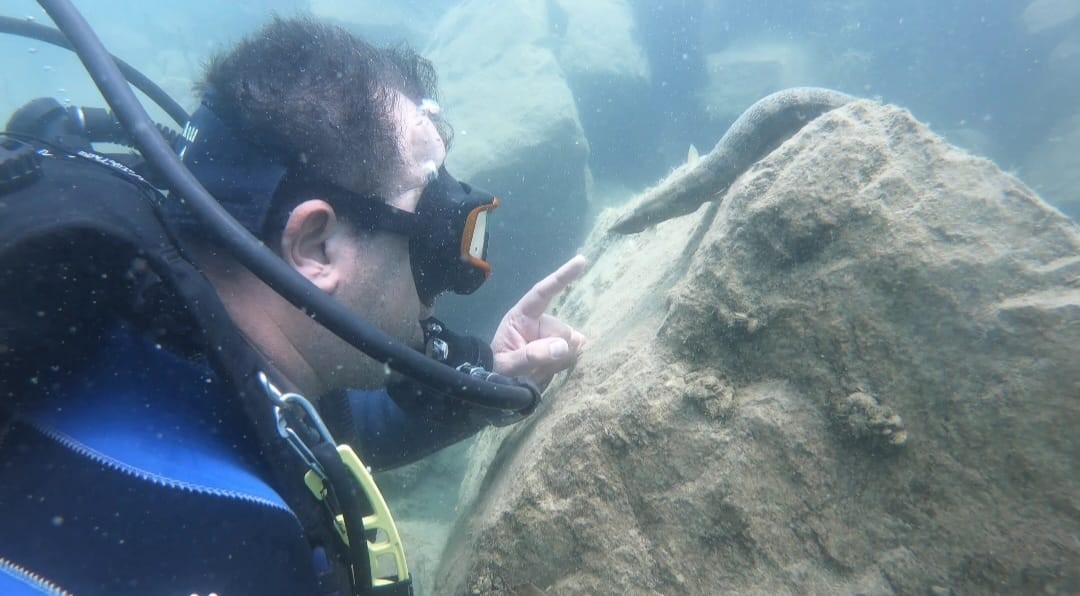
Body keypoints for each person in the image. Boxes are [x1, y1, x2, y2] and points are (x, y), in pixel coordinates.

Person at [0, 16, 584, 595]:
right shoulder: (231, 548)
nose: (450, 280)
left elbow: (327, 429)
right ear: (315, 246)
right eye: (434, 233)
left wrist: (487, 371)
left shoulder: (140, 328)